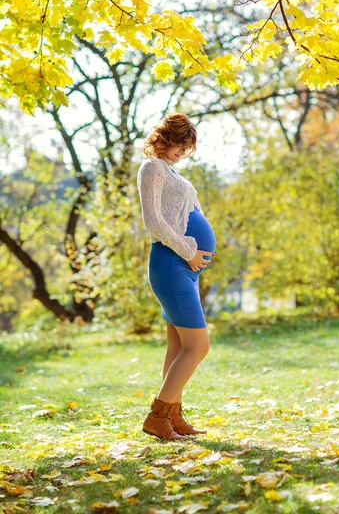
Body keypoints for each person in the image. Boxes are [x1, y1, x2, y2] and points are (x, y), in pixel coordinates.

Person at [136, 112, 216, 441]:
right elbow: (153, 221)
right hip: (172, 264)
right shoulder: (152, 166)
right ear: (167, 138)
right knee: (198, 346)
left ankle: (173, 417)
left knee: (178, 345)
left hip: (182, 267)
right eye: (181, 145)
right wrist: (189, 251)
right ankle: (157, 416)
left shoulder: (169, 169)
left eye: (188, 148)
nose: (183, 152)